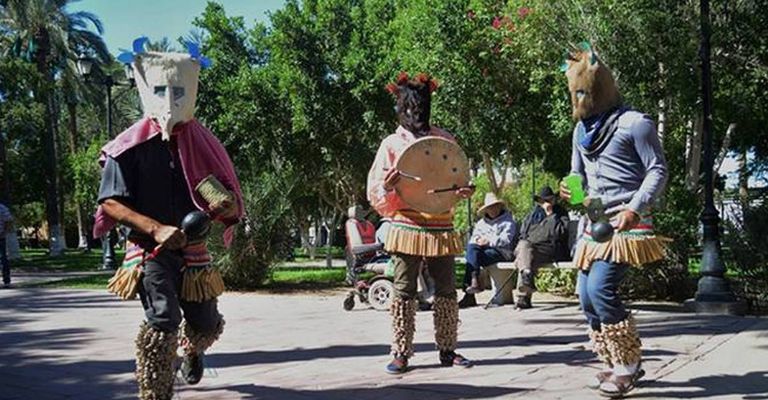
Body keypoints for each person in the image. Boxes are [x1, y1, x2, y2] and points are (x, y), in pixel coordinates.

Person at [94, 41, 243, 400]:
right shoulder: (127, 147)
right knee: (162, 319)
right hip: (151, 252)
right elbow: (110, 203)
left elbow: (227, 195)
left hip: (194, 252)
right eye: (160, 89)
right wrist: (155, 228)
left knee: (206, 322)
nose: (170, 98)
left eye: (179, 90)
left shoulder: (205, 144)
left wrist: (226, 208)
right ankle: (155, 392)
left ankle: (192, 349)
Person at [560, 45, 668, 397]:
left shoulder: (635, 123)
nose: (579, 98)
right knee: (585, 297)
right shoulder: (580, 132)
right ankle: (611, 361)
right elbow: (578, 178)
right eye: (575, 93)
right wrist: (570, 190)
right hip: (594, 224)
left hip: (627, 223)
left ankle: (628, 365)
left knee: (601, 289)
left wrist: (635, 207)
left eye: (583, 92)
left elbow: (657, 170)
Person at [367, 72, 473, 374]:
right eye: (410, 109)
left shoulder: (444, 140)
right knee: (403, 289)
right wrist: (388, 186)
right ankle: (401, 351)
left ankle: (448, 349)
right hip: (406, 225)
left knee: (447, 289)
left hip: (441, 224)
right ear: (401, 108)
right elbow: (377, 192)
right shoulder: (391, 144)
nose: (415, 114)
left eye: (420, 108)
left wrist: (461, 191)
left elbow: (456, 180)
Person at [513, 186, 570, 310]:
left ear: (554, 199)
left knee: (524, 257)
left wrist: (550, 215)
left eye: (549, 200)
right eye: (543, 201)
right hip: (531, 248)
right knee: (524, 251)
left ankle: (524, 296)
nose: (546, 203)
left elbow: (559, 233)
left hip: (552, 248)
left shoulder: (560, 213)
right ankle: (526, 276)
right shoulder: (533, 214)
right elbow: (523, 234)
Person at [458, 193, 517, 308]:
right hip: (484, 252)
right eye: (490, 207)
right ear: (486, 210)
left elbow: (507, 240)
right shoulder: (481, 223)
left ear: (500, 207)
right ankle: (474, 280)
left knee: (472, 258)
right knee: (472, 248)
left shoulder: (508, 221)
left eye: (495, 206)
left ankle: (470, 292)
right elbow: (474, 238)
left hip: (503, 252)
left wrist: (488, 241)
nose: (493, 210)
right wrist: (478, 240)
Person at [0, 202, 13, 288]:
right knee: (3, 258)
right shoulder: (2, 208)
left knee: (3, 258)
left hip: (0, 236)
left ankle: (6, 279)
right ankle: (6, 279)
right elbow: (9, 220)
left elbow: (8, 221)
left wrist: (5, 232)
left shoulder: (2, 208)